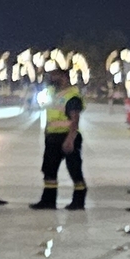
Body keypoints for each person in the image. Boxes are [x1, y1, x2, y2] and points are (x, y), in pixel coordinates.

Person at [31, 65, 85, 208]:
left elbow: (75, 120)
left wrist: (70, 139)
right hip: (53, 137)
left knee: (74, 169)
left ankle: (79, 201)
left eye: (54, 76)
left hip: (66, 136)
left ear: (64, 77)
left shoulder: (72, 96)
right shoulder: (53, 93)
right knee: (49, 169)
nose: (51, 79)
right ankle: (48, 201)